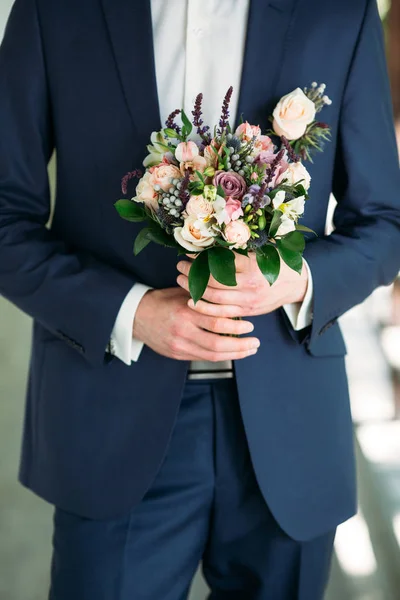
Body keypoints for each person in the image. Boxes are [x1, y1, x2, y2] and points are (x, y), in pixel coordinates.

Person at [0, 0, 399, 598]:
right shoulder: (54, 10)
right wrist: (131, 312)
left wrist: (295, 281)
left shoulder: (338, 12)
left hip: (290, 425)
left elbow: (385, 223)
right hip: (110, 419)